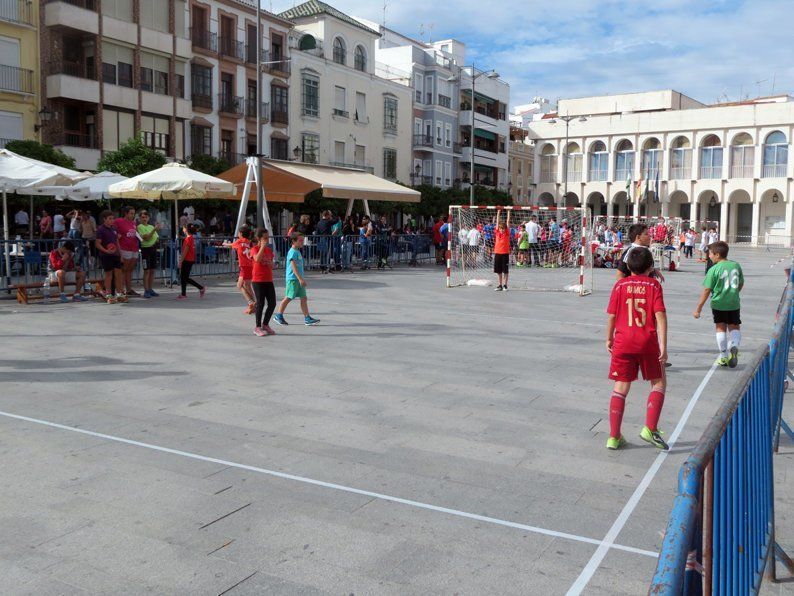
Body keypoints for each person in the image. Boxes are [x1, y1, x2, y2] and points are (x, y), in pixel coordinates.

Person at [605, 246, 669, 451]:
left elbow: (612, 315)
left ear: (628, 266)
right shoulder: (654, 286)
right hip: (647, 342)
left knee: (620, 387)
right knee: (658, 383)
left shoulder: (619, 286)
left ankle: (614, 437)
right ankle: (650, 428)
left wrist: (608, 338)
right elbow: (660, 316)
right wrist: (664, 346)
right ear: (650, 266)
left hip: (623, 342)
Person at [693, 241, 743, 368]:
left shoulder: (713, 269)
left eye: (710, 254)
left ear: (717, 254)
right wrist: (733, 293)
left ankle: (724, 356)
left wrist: (698, 308)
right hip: (733, 303)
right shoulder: (736, 266)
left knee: (720, 327)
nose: (709, 256)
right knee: (734, 326)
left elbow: (706, 289)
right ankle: (734, 346)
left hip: (718, 303)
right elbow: (741, 283)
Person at [273, 232, 320, 326]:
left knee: (303, 298)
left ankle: (307, 318)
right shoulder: (292, 252)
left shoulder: (297, 251)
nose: (302, 242)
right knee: (288, 297)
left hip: (298, 279)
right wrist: (300, 279)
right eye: (300, 240)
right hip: (293, 279)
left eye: (303, 240)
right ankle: (279, 315)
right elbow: (293, 266)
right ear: (293, 241)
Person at [250, 228, 276, 336]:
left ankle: (265, 324)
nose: (267, 240)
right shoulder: (254, 249)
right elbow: (256, 259)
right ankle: (257, 327)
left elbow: (272, 265)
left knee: (272, 303)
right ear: (258, 238)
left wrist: (270, 263)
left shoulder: (269, 251)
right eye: (265, 238)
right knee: (260, 304)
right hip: (258, 280)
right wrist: (262, 247)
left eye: (268, 238)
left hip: (268, 279)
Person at [224, 225, 255, 313]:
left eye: (238, 232)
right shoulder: (249, 242)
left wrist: (224, 243)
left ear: (241, 233)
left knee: (240, 285)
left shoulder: (239, 241)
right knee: (247, 285)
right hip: (250, 266)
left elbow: (231, 245)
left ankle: (251, 302)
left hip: (244, 267)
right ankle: (254, 304)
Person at [95, 210, 125, 304]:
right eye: (110, 218)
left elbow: (117, 242)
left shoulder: (114, 229)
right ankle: (108, 294)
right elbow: (97, 244)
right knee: (108, 275)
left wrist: (121, 254)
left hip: (115, 255)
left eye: (113, 218)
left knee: (118, 274)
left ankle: (119, 294)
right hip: (106, 255)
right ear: (104, 219)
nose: (112, 220)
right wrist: (106, 250)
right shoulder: (100, 229)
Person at [115, 206, 140, 296]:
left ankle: (129, 289)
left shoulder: (134, 223)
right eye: (131, 213)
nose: (133, 215)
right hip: (124, 248)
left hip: (134, 248)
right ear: (126, 213)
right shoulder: (118, 221)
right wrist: (117, 235)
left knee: (130, 270)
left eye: (134, 213)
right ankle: (121, 290)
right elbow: (113, 230)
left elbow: (135, 233)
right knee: (123, 270)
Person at [176, 223, 205, 300]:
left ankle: (200, 288)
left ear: (186, 229)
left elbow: (185, 251)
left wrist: (180, 261)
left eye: (183, 228)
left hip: (187, 260)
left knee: (185, 278)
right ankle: (183, 294)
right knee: (183, 278)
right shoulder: (190, 237)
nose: (182, 229)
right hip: (190, 260)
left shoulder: (188, 239)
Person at [137, 210, 161, 299]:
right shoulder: (139, 227)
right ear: (140, 218)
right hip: (145, 250)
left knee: (152, 270)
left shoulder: (151, 226)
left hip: (153, 249)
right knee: (146, 271)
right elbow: (146, 238)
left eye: (146, 217)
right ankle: (146, 290)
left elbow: (157, 238)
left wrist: (154, 233)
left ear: (148, 218)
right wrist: (154, 230)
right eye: (142, 217)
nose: (144, 219)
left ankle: (150, 289)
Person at [493, 209, 511, 291]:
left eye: (503, 228)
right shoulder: (497, 232)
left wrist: (508, 211)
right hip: (497, 253)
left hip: (505, 253)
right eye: (501, 228)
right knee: (498, 271)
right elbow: (497, 222)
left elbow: (508, 221)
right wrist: (498, 212)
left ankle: (505, 285)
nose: (502, 230)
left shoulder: (507, 233)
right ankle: (500, 285)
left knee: (505, 271)